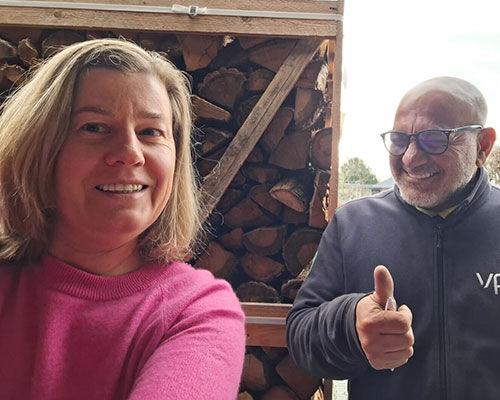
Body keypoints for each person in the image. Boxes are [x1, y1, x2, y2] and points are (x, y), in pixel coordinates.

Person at [0, 38, 245, 399]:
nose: (131, 153)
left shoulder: (198, 312)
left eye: (150, 132)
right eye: (95, 127)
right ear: (38, 148)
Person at [286, 76, 499, 400]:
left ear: (482, 146)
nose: (410, 158)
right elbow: (300, 334)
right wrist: (350, 325)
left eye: (434, 139)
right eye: (399, 140)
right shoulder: (352, 224)